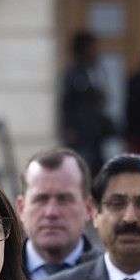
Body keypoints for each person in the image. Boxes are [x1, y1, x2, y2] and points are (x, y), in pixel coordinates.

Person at [16, 146, 100, 280]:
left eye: (64, 199)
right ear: (21, 208)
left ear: (88, 208)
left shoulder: (113, 278)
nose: (51, 212)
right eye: (41, 199)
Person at [60, 30, 113, 175]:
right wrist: (68, 128)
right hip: (80, 133)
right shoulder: (74, 73)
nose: (96, 52)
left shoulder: (96, 70)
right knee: (82, 172)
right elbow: (67, 102)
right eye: (93, 48)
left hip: (95, 133)